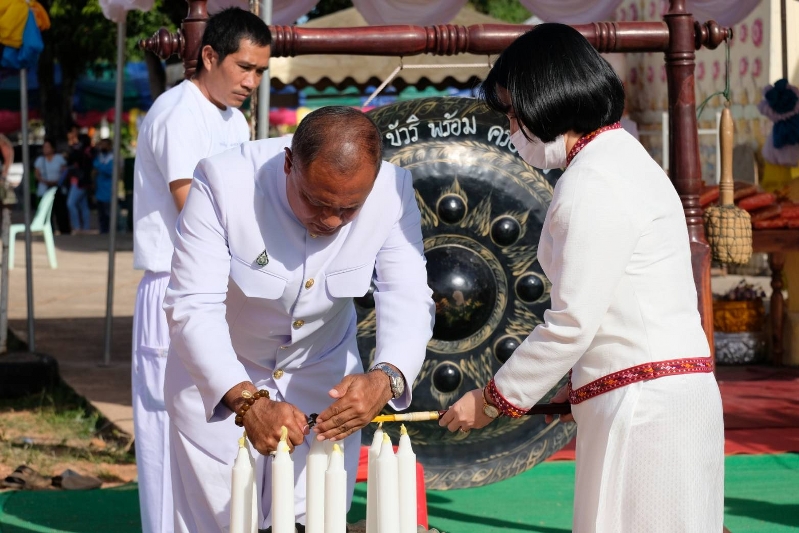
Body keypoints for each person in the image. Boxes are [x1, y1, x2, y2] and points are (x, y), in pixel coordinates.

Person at [440, 23, 724, 533]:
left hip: (645, 407)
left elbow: (572, 323)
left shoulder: (594, 182)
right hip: (654, 395)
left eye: (512, 113)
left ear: (545, 100)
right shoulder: (621, 159)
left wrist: (492, 399)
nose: (509, 129)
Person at [163, 106, 434, 532]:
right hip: (222, 382)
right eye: (316, 202)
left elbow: (408, 294)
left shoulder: (392, 190)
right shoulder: (222, 181)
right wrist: (247, 401)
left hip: (323, 381)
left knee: (318, 521)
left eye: (348, 210)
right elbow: (192, 304)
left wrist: (385, 378)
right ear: (290, 163)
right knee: (224, 521)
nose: (329, 221)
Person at [131, 8, 271, 533]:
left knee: (214, 427)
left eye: (259, 70)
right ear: (209, 56)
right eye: (243, 67)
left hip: (222, 287)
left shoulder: (233, 119)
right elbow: (194, 204)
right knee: (169, 426)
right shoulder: (177, 113)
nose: (251, 82)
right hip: (174, 287)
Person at [33, 138, 68, 231]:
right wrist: (45, 181)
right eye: (44, 147)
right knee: (47, 210)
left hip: (57, 187)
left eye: (48, 147)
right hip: (45, 188)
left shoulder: (59, 158)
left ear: (53, 148)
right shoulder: (40, 160)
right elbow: (36, 174)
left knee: (60, 210)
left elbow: (64, 171)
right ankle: (49, 229)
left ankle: (64, 230)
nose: (46, 149)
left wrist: (58, 181)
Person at [93, 138, 114, 234]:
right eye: (101, 145)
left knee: (108, 214)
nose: (102, 147)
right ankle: (102, 232)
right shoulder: (99, 156)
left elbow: (110, 171)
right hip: (99, 189)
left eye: (104, 145)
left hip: (109, 190)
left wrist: (100, 168)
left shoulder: (113, 157)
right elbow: (95, 166)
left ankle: (110, 232)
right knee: (101, 214)